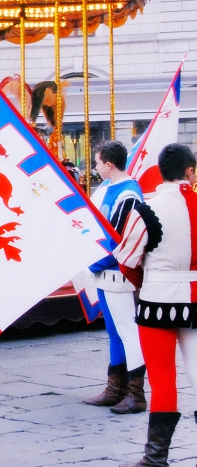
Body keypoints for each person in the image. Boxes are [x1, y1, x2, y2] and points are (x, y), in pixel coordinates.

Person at [112, 143, 197, 467]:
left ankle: (155, 458)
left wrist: (144, 283)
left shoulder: (146, 209)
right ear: (190, 171)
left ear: (160, 172)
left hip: (156, 299)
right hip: (196, 297)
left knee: (162, 380)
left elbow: (127, 261)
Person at [80, 141, 147, 414]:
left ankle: (135, 393)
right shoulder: (110, 189)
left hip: (118, 270)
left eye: (97, 162)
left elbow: (120, 239)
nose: (95, 167)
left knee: (128, 333)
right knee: (114, 332)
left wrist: (96, 262)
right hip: (106, 270)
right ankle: (115, 389)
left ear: (109, 164)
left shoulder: (128, 194)